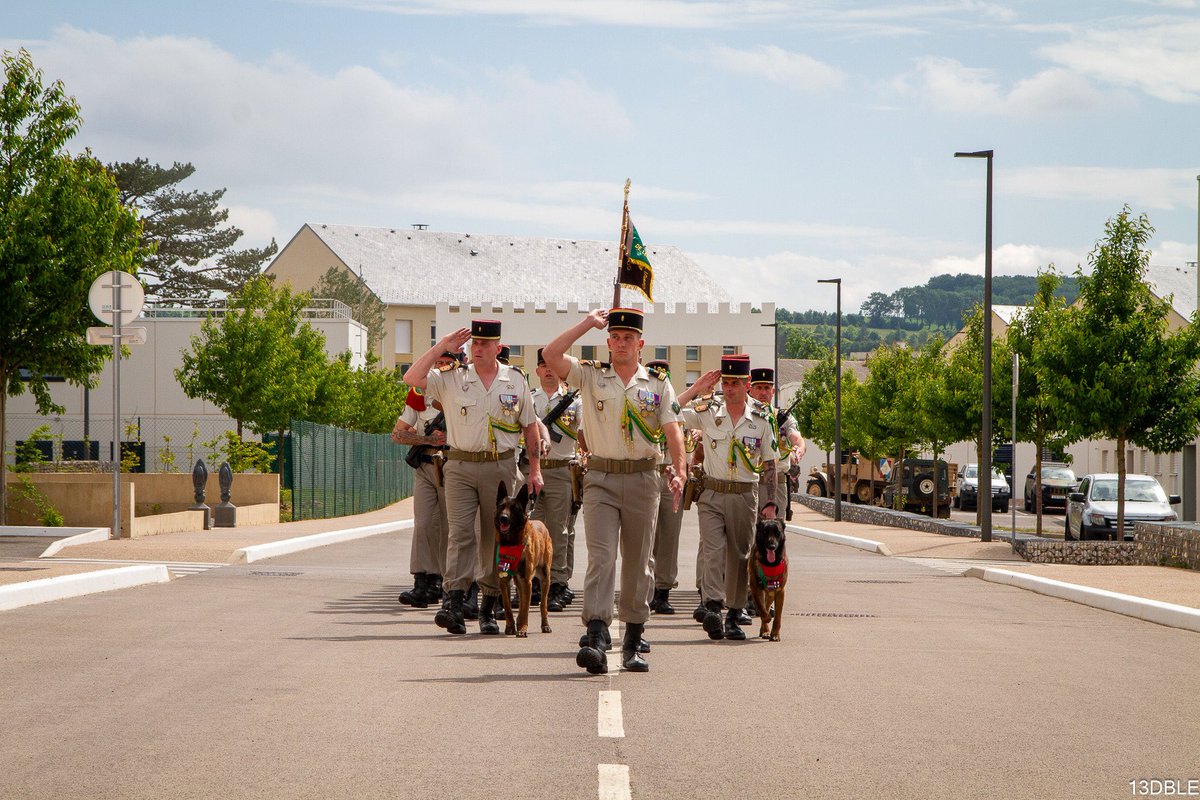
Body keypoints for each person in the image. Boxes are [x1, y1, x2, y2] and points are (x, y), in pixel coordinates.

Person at [542, 308, 686, 674]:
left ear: (641, 344)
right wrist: (587, 323)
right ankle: (595, 633)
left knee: (639, 564)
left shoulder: (657, 384)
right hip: (601, 478)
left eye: (628, 338)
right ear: (608, 342)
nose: (621, 343)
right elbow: (551, 355)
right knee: (602, 557)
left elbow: (673, 429)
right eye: (615, 337)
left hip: (643, 479)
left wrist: (680, 471)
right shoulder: (591, 375)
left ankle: (634, 641)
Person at [403, 320, 543, 636]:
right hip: (460, 466)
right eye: (473, 344)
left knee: (494, 538)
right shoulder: (452, 378)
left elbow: (530, 427)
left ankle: (489, 607)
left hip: (501, 468)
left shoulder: (515, 380)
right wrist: (441, 347)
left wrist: (534, 470)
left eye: (484, 344)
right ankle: (453, 602)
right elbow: (411, 378)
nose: (477, 349)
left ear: (497, 346)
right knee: (460, 534)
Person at [677, 355, 779, 641]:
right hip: (712, 493)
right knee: (713, 550)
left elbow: (769, 464)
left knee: (739, 554)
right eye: (725, 382)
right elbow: (671, 409)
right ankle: (711, 606)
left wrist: (770, 503)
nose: (729, 388)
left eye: (735, 383)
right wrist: (697, 387)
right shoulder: (708, 410)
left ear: (747, 384)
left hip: (745, 495)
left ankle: (734, 613)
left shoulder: (762, 418)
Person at [391, 350, 457, 608]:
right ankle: (422, 581)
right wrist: (427, 440)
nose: (441, 368)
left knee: (450, 527)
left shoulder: (461, 393)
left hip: (453, 465)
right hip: (426, 464)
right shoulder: (419, 397)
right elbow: (397, 434)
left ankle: (445, 581)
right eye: (437, 363)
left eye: (446, 364)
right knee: (424, 523)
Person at [530, 348, 583, 613]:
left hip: (563, 469)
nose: (548, 370)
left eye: (552, 366)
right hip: (533, 468)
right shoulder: (528, 400)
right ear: (537, 370)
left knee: (559, 530)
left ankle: (558, 582)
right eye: (543, 366)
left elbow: (583, 437)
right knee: (531, 528)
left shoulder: (575, 402)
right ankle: (534, 582)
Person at [645, 359, 684, 616]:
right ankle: (645, 589)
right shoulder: (641, 408)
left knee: (669, 537)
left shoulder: (676, 409)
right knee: (645, 538)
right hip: (647, 473)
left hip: (669, 477)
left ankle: (663, 591)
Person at [749, 367, 807, 517]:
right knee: (746, 534)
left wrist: (799, 447)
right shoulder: (742, 417)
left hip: (777, 483)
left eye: (767, 388)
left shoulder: (782, 418)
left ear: (773, 391)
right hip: (749, 482)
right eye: (759, 387)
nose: (763, 393)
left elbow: (796, 437)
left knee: (774, 533)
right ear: (750, 389)